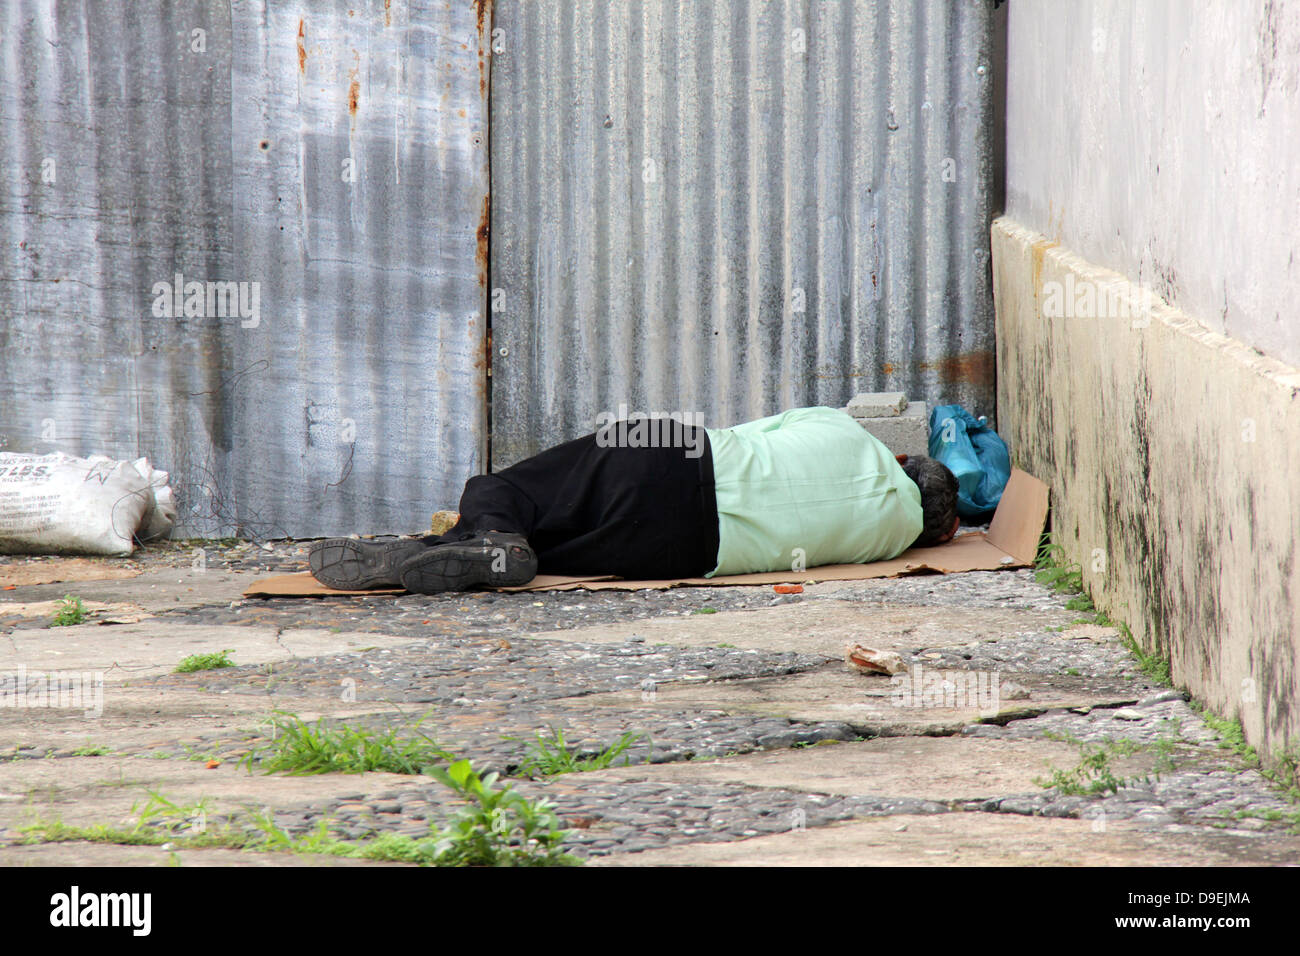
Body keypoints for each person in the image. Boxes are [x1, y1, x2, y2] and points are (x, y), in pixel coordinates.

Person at [308, 405, 959, 593]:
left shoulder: (843, 430)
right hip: (686, 550)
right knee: (560, 546)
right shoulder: (894, 539)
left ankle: (484, 535)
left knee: (503, 488)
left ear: (906, 459)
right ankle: (467, 548)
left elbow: (752, 433)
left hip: (673, 457)